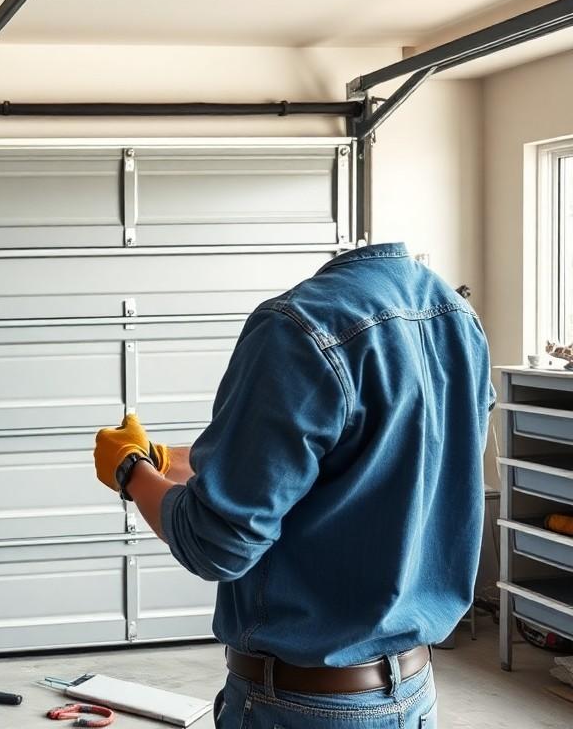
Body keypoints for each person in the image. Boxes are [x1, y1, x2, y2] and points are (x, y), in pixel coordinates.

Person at [94, 243, 492, 728]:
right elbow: (372, 464)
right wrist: (169, 462)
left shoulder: (300, 327)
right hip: (414, 693)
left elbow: (213, 544)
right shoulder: (455, 318)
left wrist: (131, 471)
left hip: (303, 708)